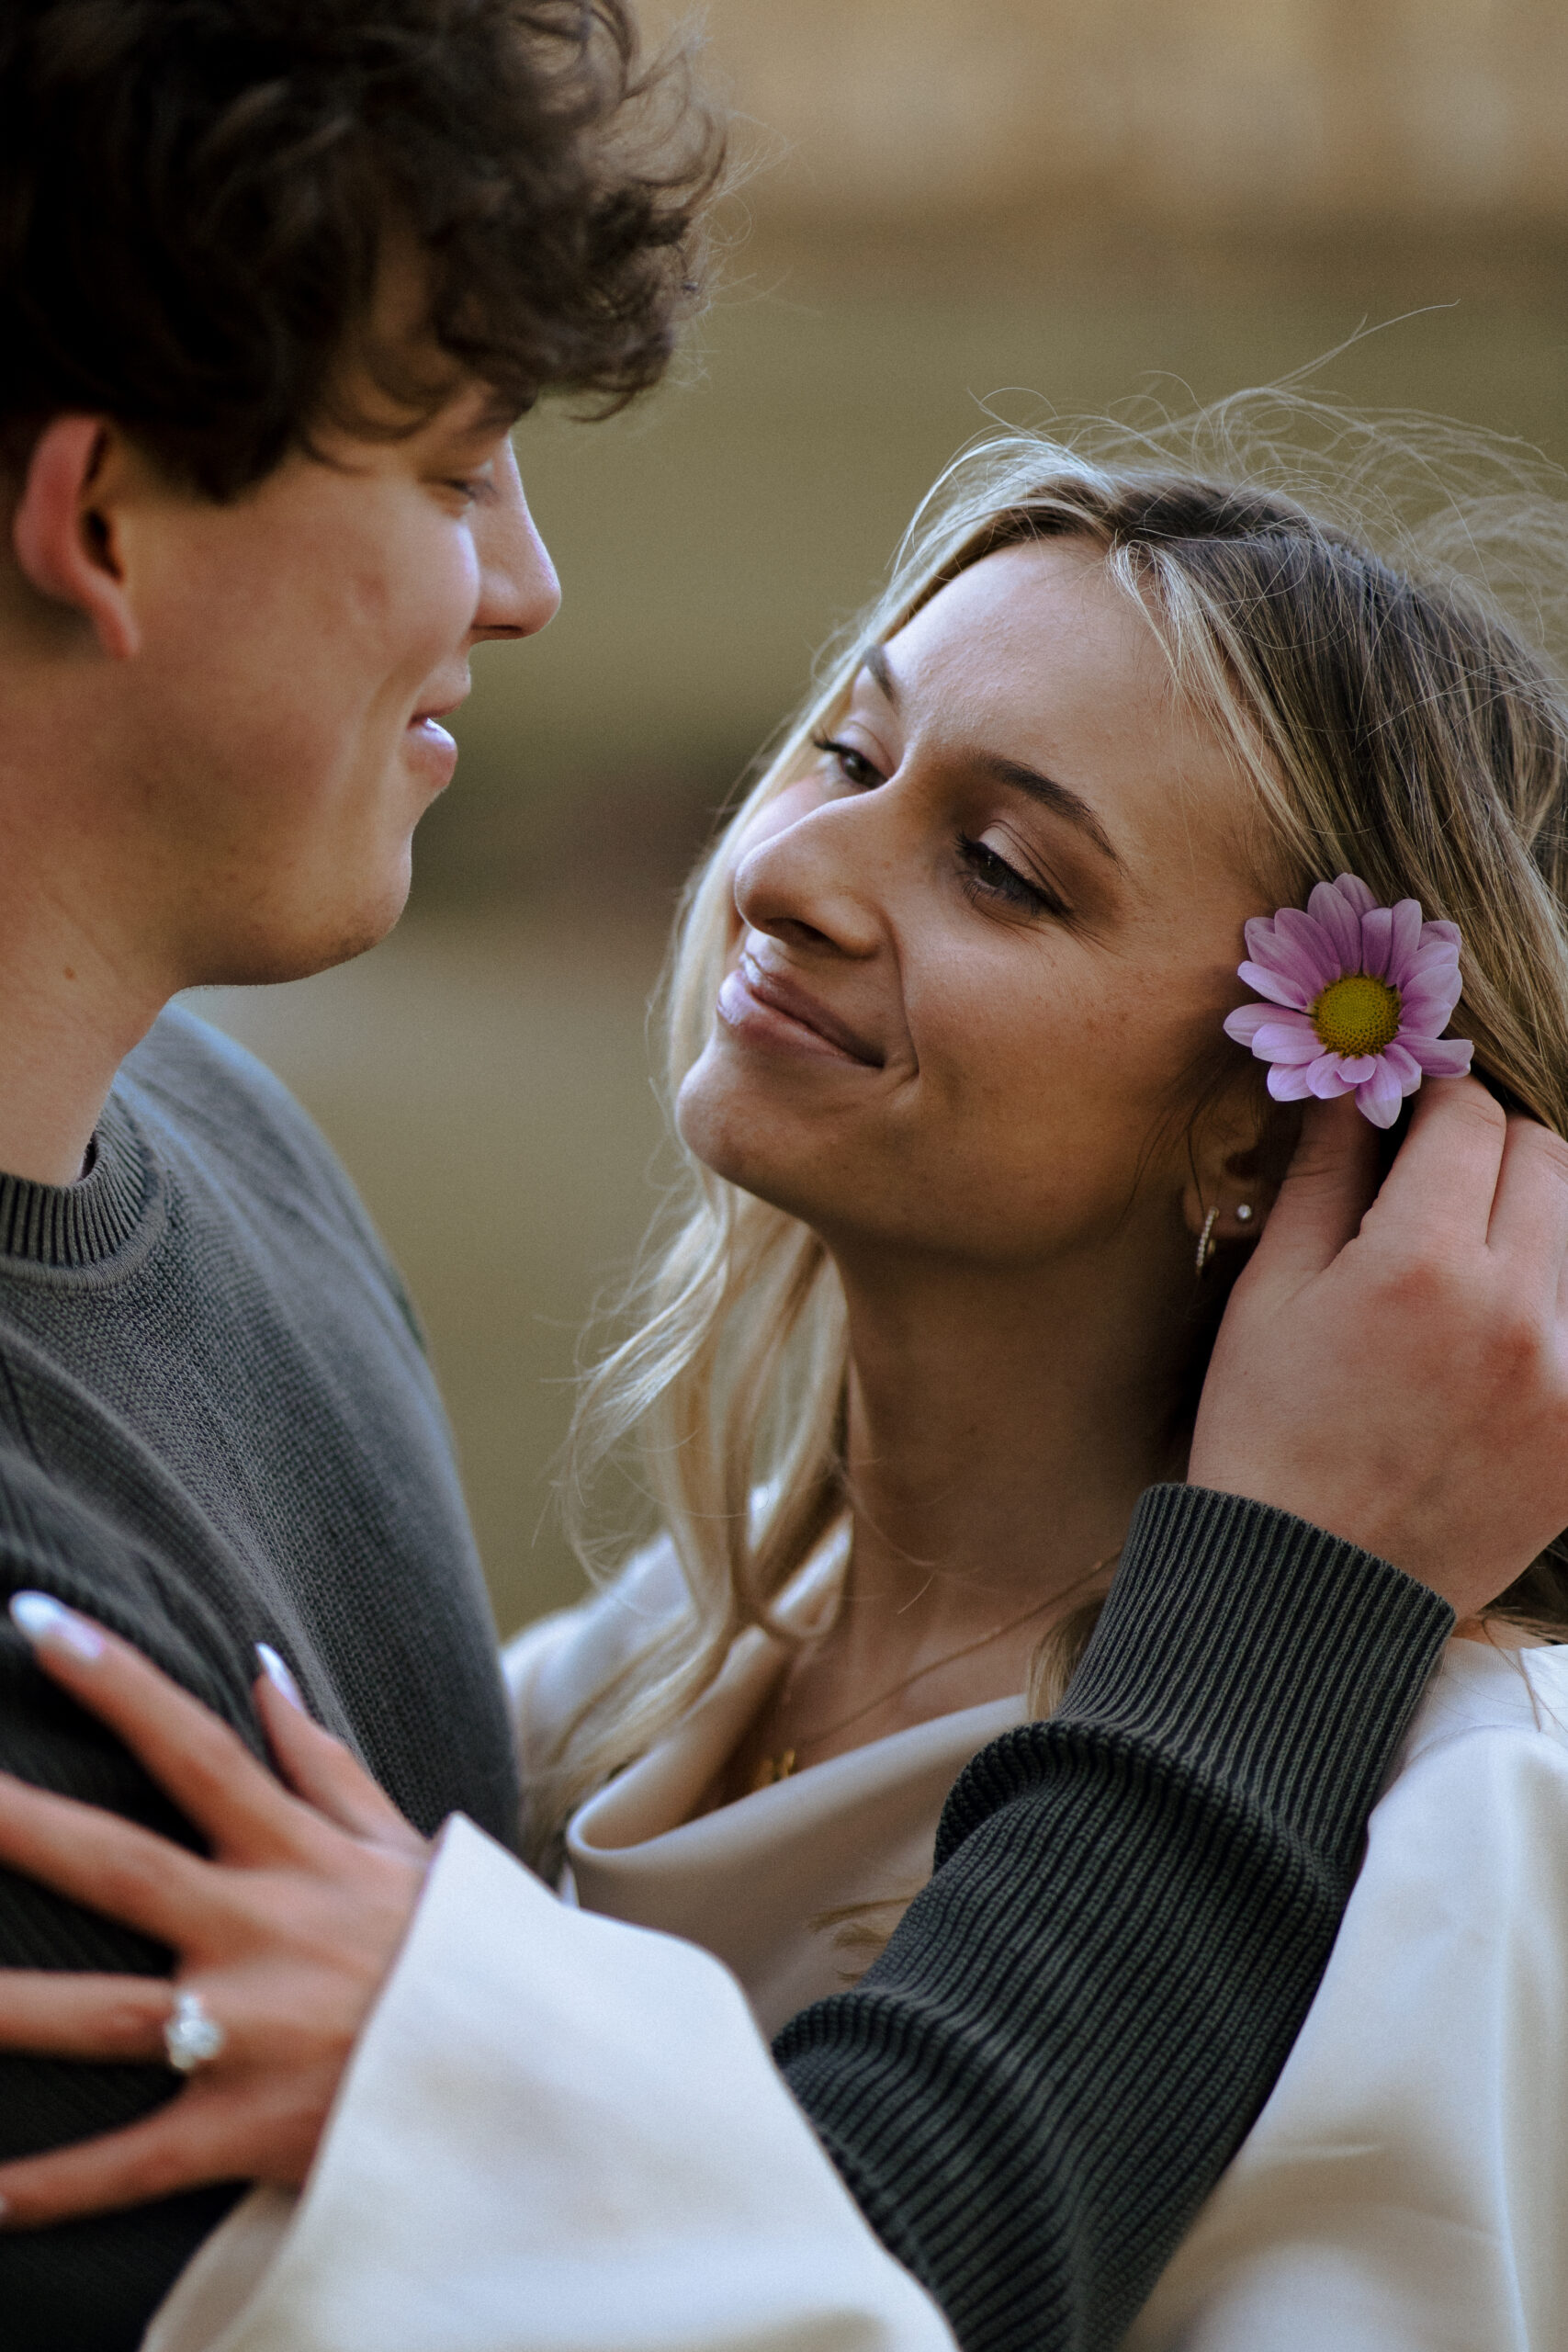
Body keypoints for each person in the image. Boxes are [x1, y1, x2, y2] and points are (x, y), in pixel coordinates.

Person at [5, 396, 1568, 2352]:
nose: (795, 869)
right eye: (844, 747)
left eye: (999, 869)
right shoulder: (660, 1662)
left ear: (1272, 1135)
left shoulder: (1453, 1826)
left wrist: (470, 2071)